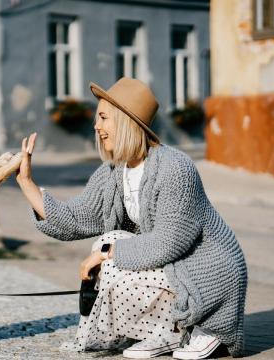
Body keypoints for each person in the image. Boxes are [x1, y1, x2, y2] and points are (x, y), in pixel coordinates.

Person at [15, 78, 247, 359]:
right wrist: (27, 183)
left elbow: (168, 243)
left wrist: (105, 254)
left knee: (110, 250)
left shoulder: (175, 168)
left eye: (103, 118)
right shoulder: (114, 171)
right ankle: (165, 332)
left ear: (126, 121)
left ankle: (203, 327)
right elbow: (76, 219)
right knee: (109, 242)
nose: (96, 127)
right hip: (173, 268)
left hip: (207, 273)